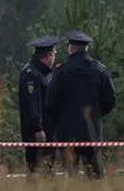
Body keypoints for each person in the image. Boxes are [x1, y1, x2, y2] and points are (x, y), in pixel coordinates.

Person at [44, 31, 116, 179]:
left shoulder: (61, 72)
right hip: (92, 132)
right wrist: (96, 115)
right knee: (95, 174)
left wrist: (60, 121)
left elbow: (50, 103)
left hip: (68, 133)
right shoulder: (99, 70)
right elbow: (110, 100)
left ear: (71, 48)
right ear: (86, 48)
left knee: (71, 175)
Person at [19, 35, 58, 174]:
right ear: (47, 56)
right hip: (37, 133)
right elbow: (32, 104)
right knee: (37, 170)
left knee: (48, 169)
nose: (54, 58)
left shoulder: (44, 73)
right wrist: (38, 128)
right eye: (53, 54)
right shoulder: (31, 74)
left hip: (48, 130)